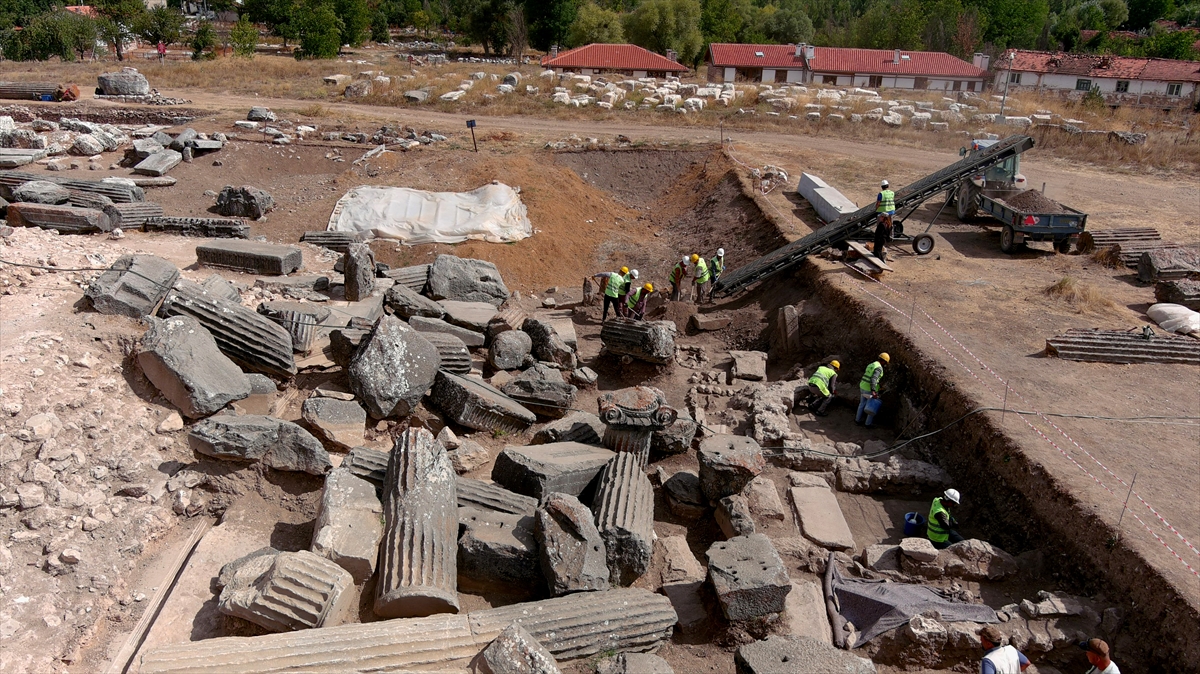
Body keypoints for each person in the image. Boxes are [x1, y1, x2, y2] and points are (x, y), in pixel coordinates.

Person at [856, 352, 889, 427]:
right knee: (871, 406)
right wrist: (873, 390)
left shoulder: (871, 364)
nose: (885, 364)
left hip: (863, 386)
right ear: (884, 361)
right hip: (869, 389)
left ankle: (857, 420)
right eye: (885, 363)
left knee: (862, 404)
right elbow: (873, 379)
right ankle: (868, 424)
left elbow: (869, 376)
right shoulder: (879, 368)